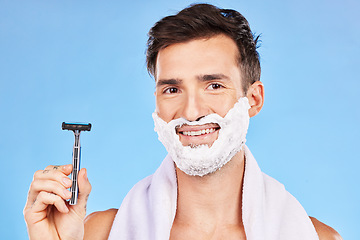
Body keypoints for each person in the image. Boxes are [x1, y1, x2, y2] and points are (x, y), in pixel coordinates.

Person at [24, 3, 342, 240]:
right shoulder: (96, 234)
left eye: (214, 85)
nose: (191, 111)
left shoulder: (316, 237)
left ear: (253, 100)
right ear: (157, 104)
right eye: (172, 89)